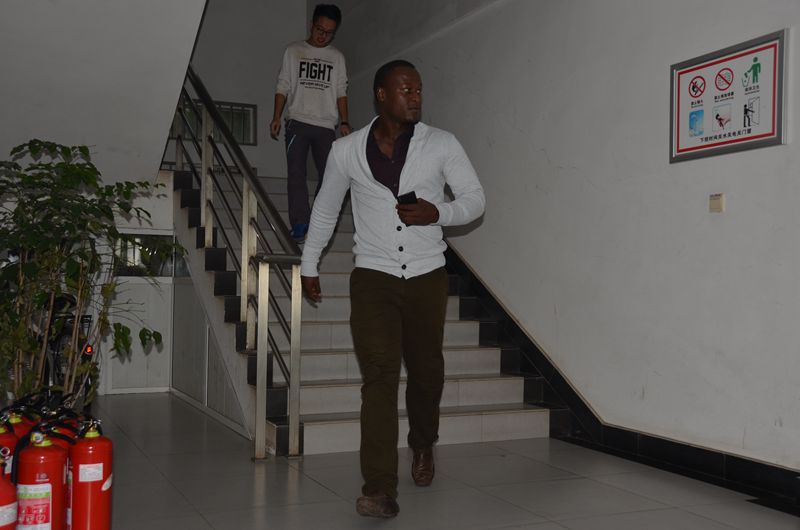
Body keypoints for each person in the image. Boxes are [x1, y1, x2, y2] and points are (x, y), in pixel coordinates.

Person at [300, 59, 485, 518]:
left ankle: (422, 444)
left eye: (419, 89)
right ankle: (379, 487)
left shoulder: (441, 143)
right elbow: (326, 208)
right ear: (381, 95)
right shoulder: (346, 150)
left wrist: (438, 213)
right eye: (407, 90)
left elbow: (475, 200)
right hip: (373, 277)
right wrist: (309, 263)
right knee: (379, 378)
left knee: (426, 373)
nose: (416, 97)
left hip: (427, 275)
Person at [270, 4, 351, 243]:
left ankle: (316, 218)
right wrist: (276, 116)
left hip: (326, 126)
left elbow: (341, 91)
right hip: (297, 121)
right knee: (296, 174)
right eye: (319, 30)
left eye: (329, 33)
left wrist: (345, 121)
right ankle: (299, 222)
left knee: (330, 175)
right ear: (312, 25)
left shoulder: (337, 57)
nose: (323, 36)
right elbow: (283, 85)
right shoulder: (293, 51)